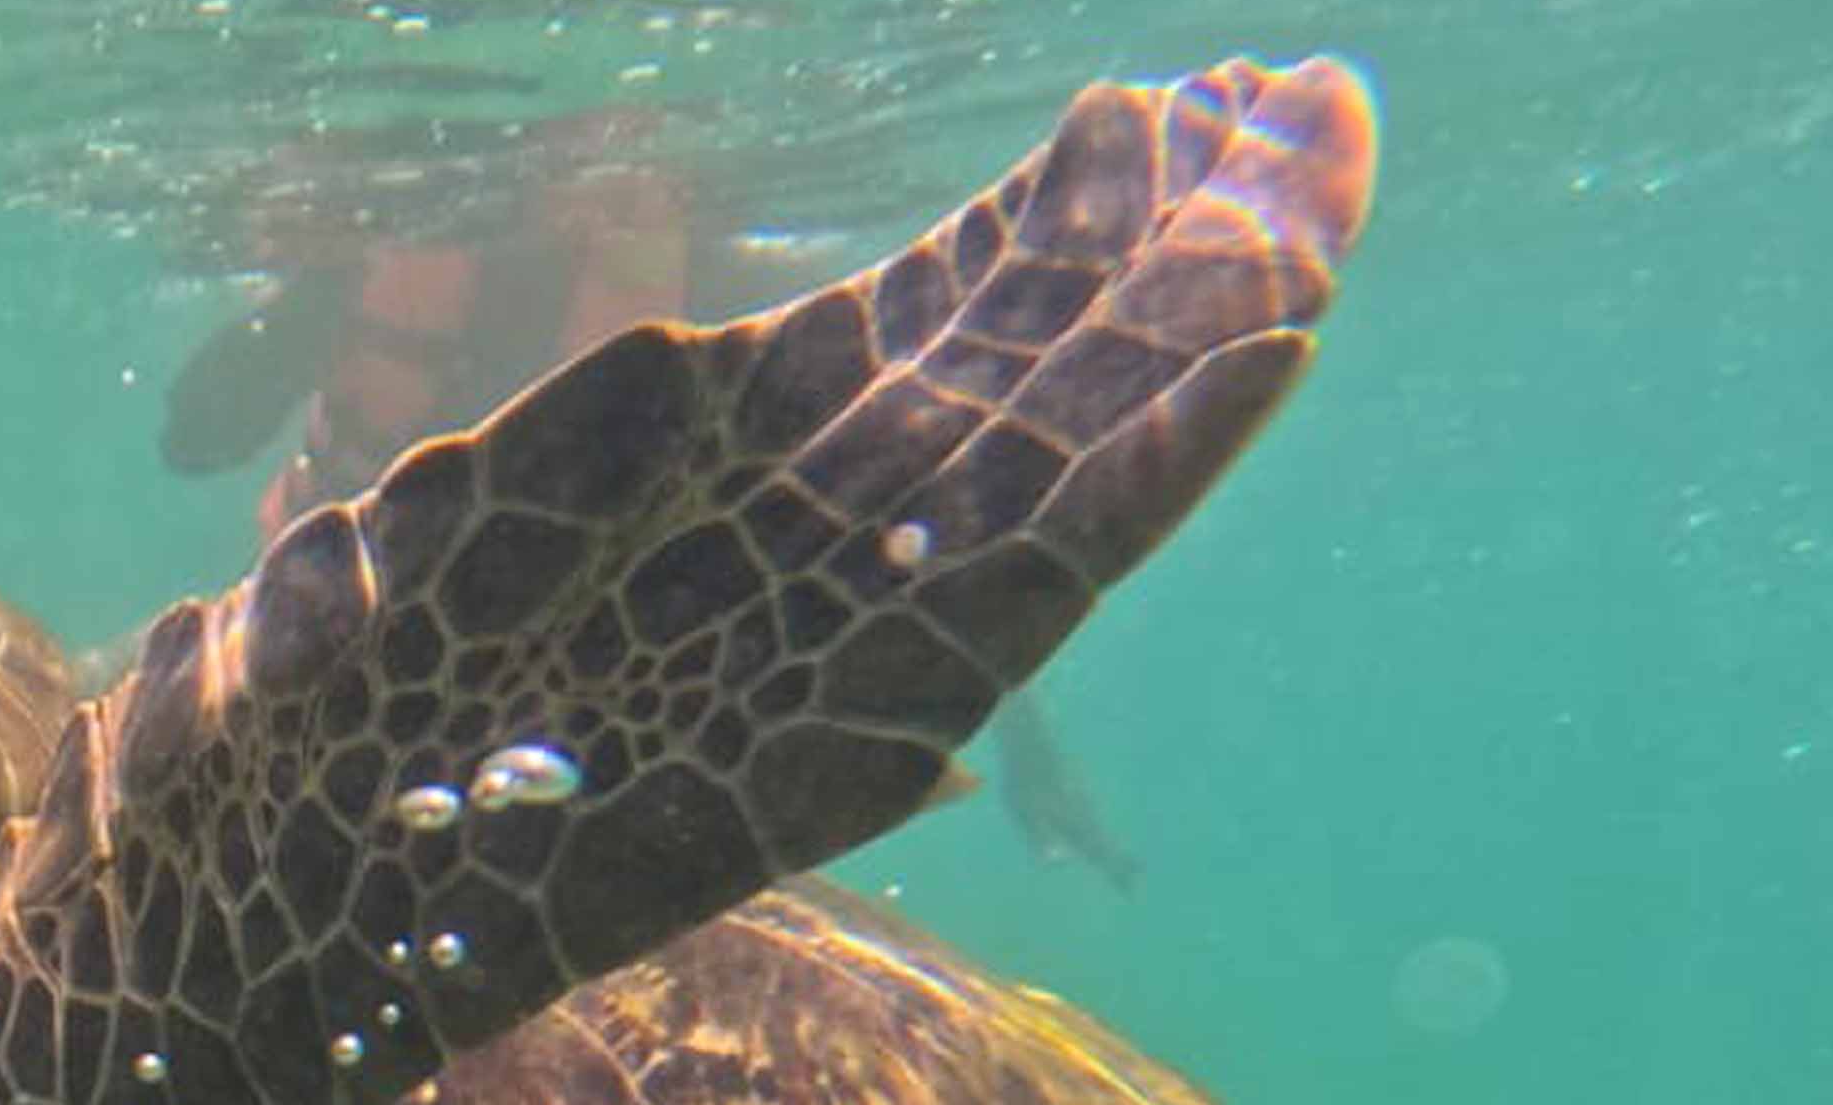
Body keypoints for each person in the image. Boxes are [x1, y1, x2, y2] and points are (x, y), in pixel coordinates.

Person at [164, 112, 1145, 890]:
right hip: (375, 667)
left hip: (595, 683)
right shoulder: (436, 259)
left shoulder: (705, 284)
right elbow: (195, 434)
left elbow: (903, 503)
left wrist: (1023, 728)